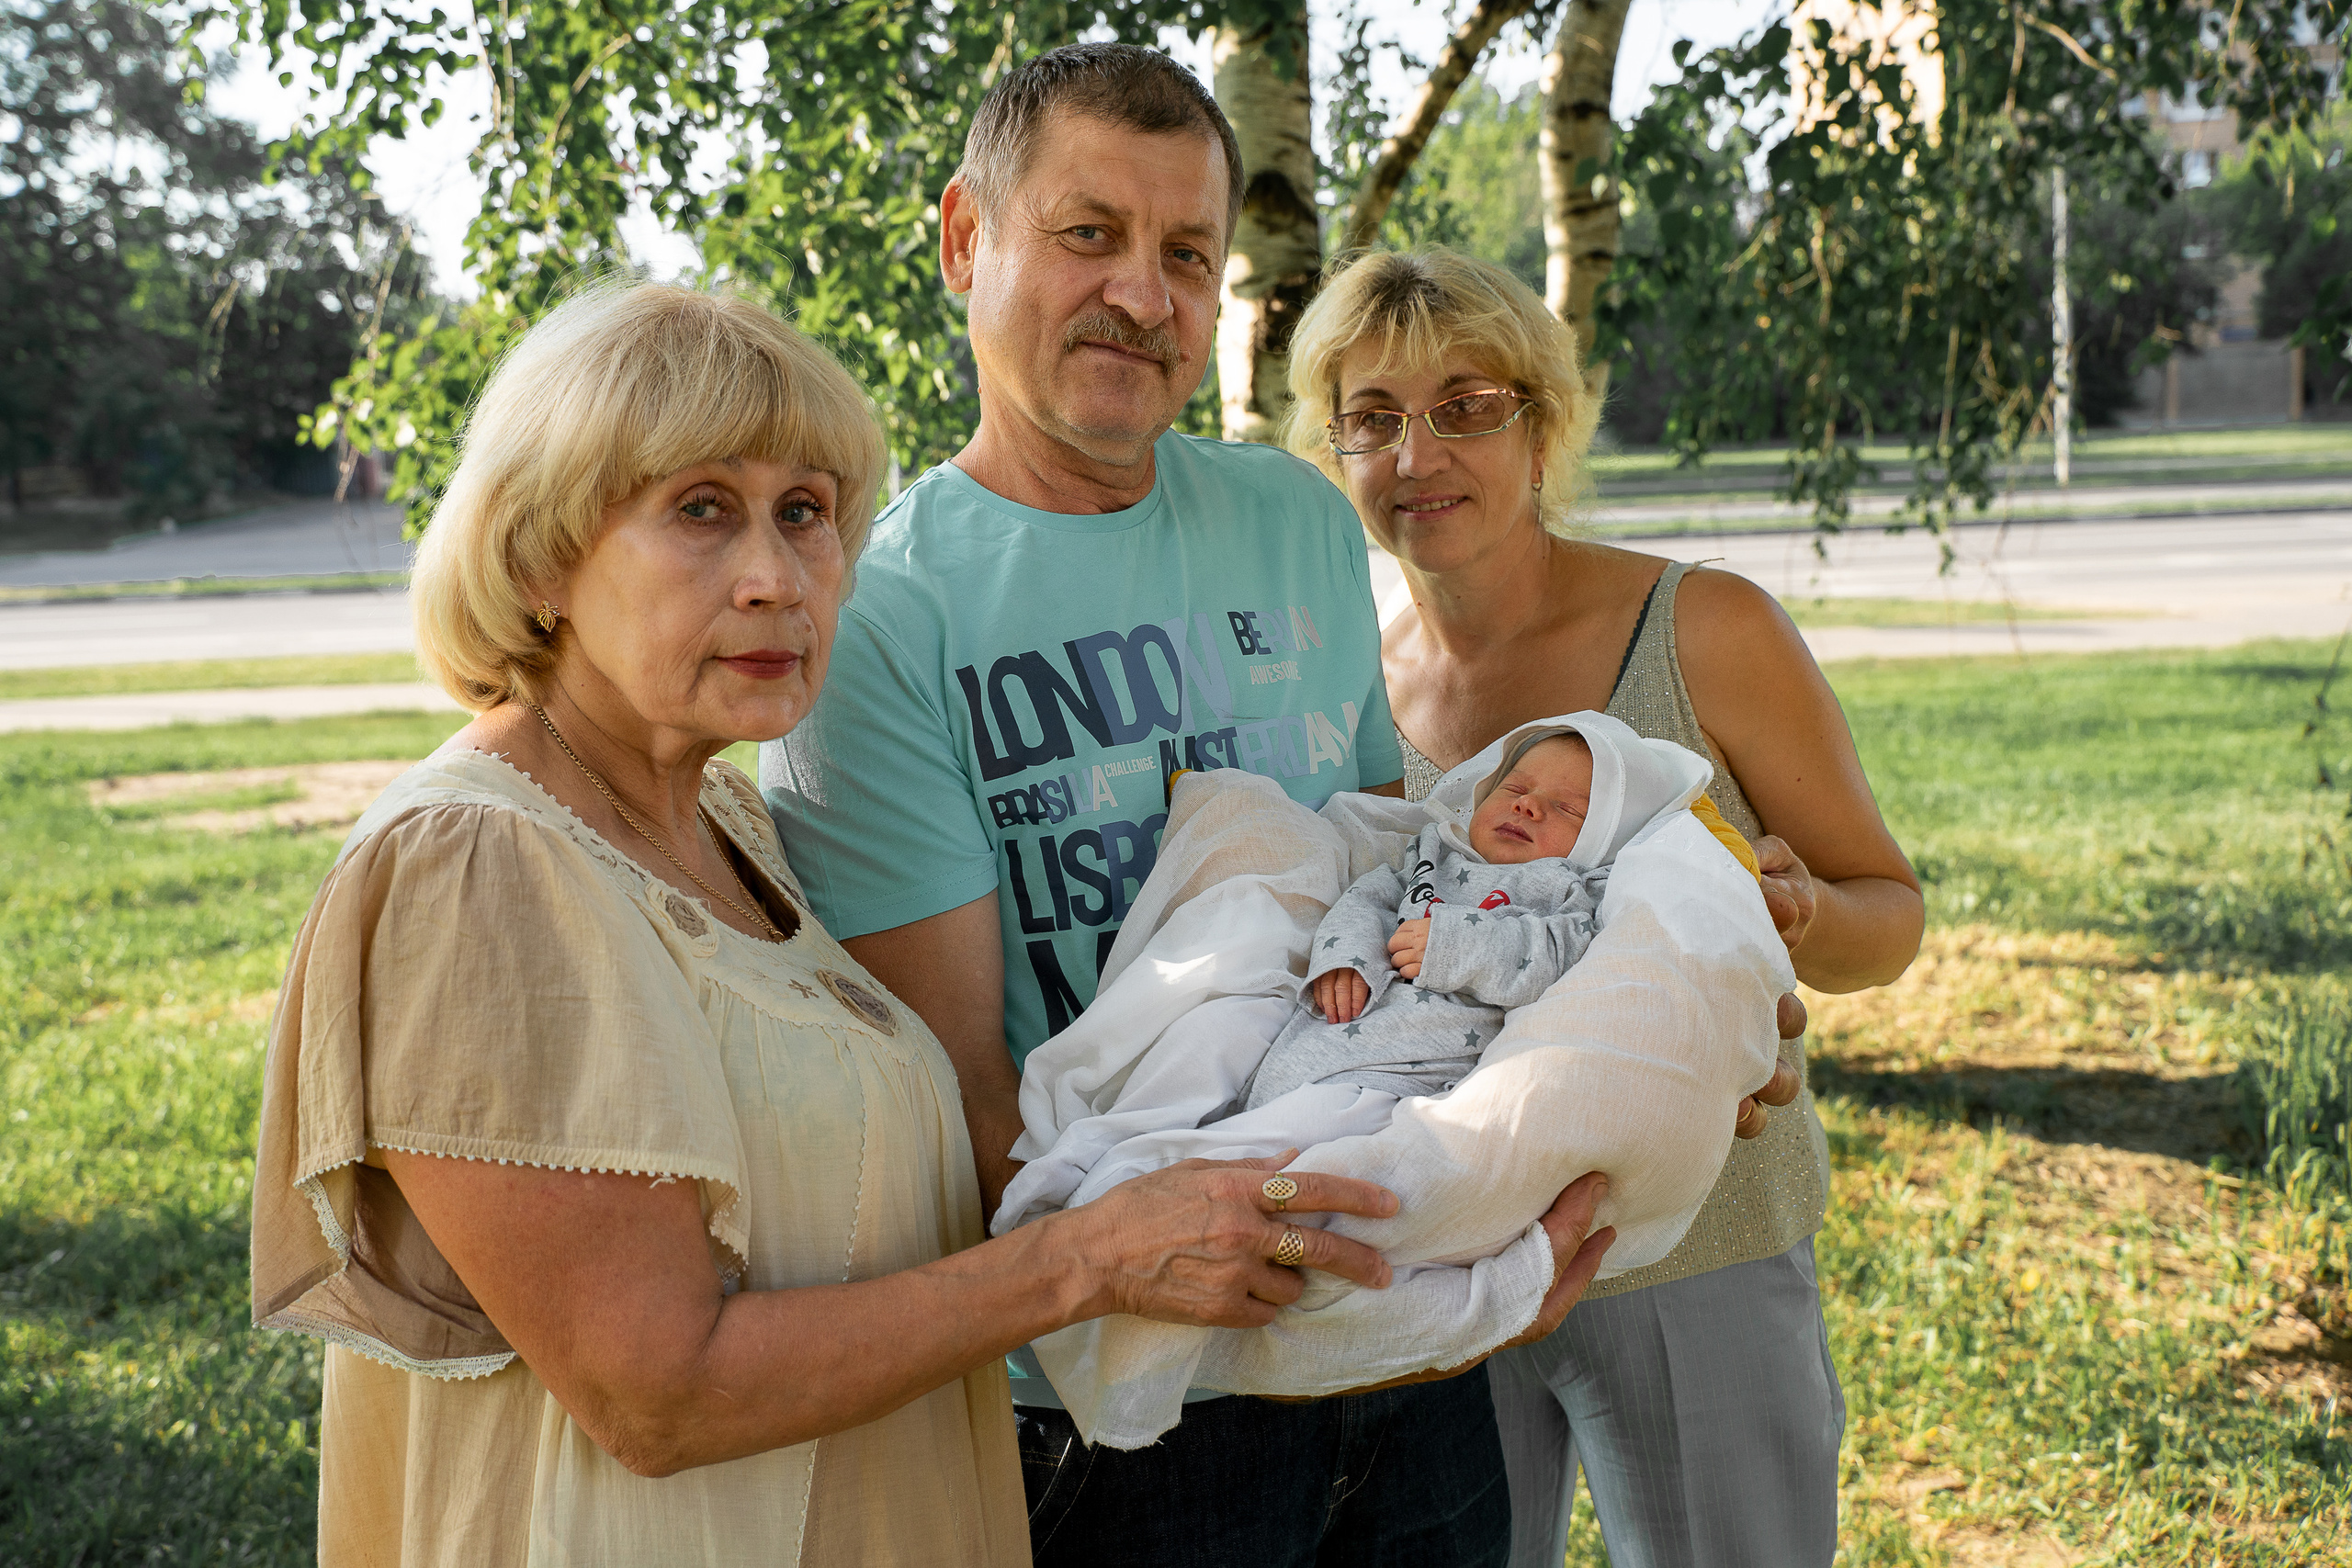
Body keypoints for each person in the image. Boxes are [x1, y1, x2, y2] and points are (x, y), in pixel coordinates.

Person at [246, 278, 1518, 1567]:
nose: (775, 578)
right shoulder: (474, 862)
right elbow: (658, 1390)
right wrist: (1084, 1262)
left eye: (806, 514)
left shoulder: (723, 825)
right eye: (701, 511)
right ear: (536, 558)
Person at [763, 40, 1609, 1567]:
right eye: (1088, 234)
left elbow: (1394, 884)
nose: (1144, 295)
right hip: (1128, 1399)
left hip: (1397, 1330)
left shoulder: (1293, 519)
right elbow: (964, 1095)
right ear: (967, 239)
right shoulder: (877, 618)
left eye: (1187, 254)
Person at [1283, 245, 1927, 1568]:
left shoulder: (1706, 629)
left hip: (1695, 1246)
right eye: (1373, 417)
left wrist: (1801, 916)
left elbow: (1891, 910)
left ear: (1543, 425)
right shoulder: (1349, 678)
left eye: (1469, 404)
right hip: (1447, 1263)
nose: (1419, 455)